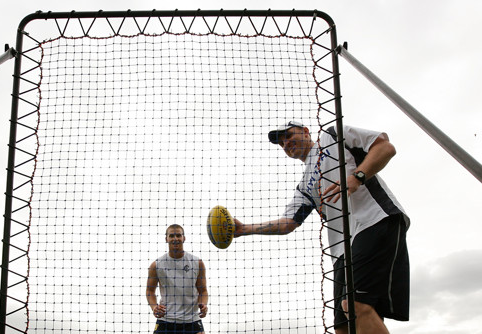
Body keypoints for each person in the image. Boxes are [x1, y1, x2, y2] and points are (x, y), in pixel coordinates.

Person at [234, 121, 410, 334]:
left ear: (306, 131)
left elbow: (384, 147)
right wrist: (244, 229)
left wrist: (356, 178)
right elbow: (288, 223)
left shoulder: (332, 135)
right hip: (342, 250)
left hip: (374, 220)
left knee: (355, 306)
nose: (286, 143)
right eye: (281, 143)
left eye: (289, 135)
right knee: (343, 328)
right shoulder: (304, 186)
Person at [146, 224, 209, 333]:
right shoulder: (156, 265)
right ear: (166, 239)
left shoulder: (197, 263)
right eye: (171, 236)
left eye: (178, 235)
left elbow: (203, 290)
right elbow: (150, 291)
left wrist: (203, 304)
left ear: (184, 238)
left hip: (192, 320)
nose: (175, 239)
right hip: (166, 320)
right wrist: (154, 307)